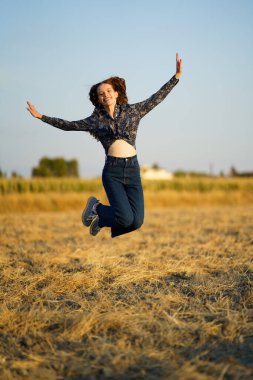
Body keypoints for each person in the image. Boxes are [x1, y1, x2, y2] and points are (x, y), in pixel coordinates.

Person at [27, 53, 182, 238]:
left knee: (137, 221)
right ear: (99, 99)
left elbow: (156, 98)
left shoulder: (133, 111)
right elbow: (68, 125)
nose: (105, 95)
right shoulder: (95, 120)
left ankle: (101, 220)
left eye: (108, 91)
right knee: (125, 219)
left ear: (116, 93)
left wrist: (176, 77)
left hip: (132, 170)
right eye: (101, 93)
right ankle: (97, 208)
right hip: (113, 172)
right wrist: (42, 117)